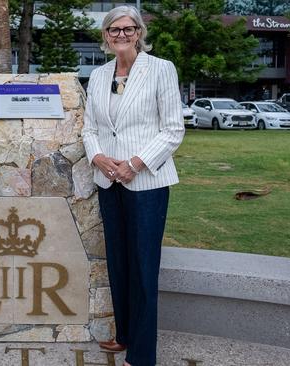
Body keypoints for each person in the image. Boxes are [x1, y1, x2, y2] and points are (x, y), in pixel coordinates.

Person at [81, 6, 185, 366]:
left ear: (139, 32)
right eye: (113, 30)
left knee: (143, 268)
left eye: (128, 29)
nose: (121, 35)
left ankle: (142, 355)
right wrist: (98, 158)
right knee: (119, 264)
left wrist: (136, 164)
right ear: (105, 36)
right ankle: (124, 335)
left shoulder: (161, 69)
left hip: (147, 183)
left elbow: (173, 129)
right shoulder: (97, 75)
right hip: (109, 182)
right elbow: (91, 128)